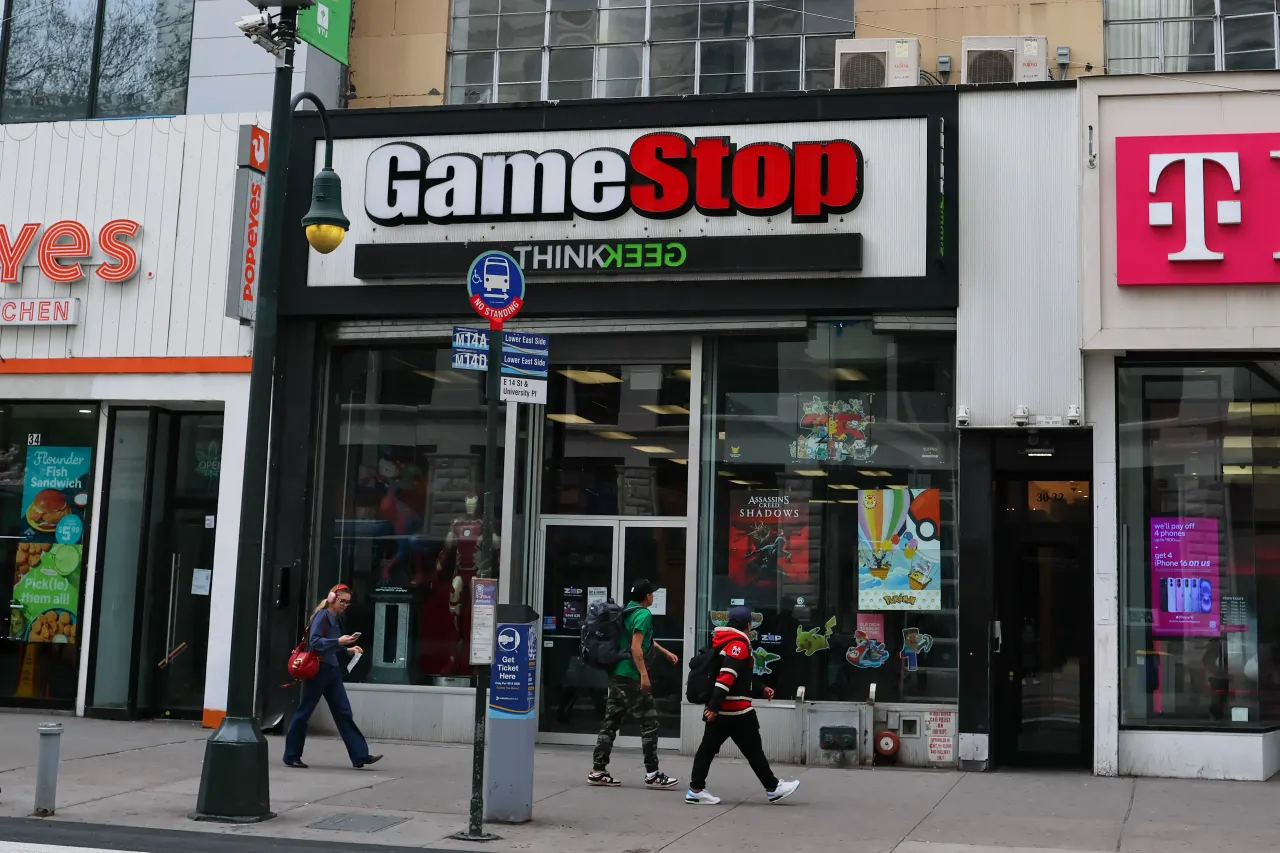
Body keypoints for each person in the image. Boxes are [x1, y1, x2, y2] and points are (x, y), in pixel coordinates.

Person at [686, 606, 800, 805]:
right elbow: (727, 677)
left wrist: (760, 688)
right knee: (754, 751)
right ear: (748, 625)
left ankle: (695, 790)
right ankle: (773, 788)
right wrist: (712, 707)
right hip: (736, 710)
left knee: (707, 749)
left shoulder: (724, 642)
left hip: (723, 709)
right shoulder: (738, 645)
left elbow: (740, 677)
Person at [588, 578, 680, 789]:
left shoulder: (626, 611)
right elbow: (636, 647)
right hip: (630, 675)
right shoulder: (644, 613)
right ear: (647, 596)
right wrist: (644, 675)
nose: (653, 596)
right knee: (649, 722)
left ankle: (598, 771)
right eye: (652, 593)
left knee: (610, 722)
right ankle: (653, 773)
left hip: (617, 674)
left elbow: (642, 638)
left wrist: (664, 652)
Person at [283, 584, 383, 770]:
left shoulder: (337, 619)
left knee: (343, 712)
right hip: (319, 670)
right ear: (332, 598)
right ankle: (291, 755)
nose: (345, 605)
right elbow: (314, 642)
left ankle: (360, 755)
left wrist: (347, 650)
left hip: (332, 670)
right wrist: (338, 641)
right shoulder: (323, 616)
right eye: (342, 600)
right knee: (304, 712)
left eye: (348, 602)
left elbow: (332, 646)